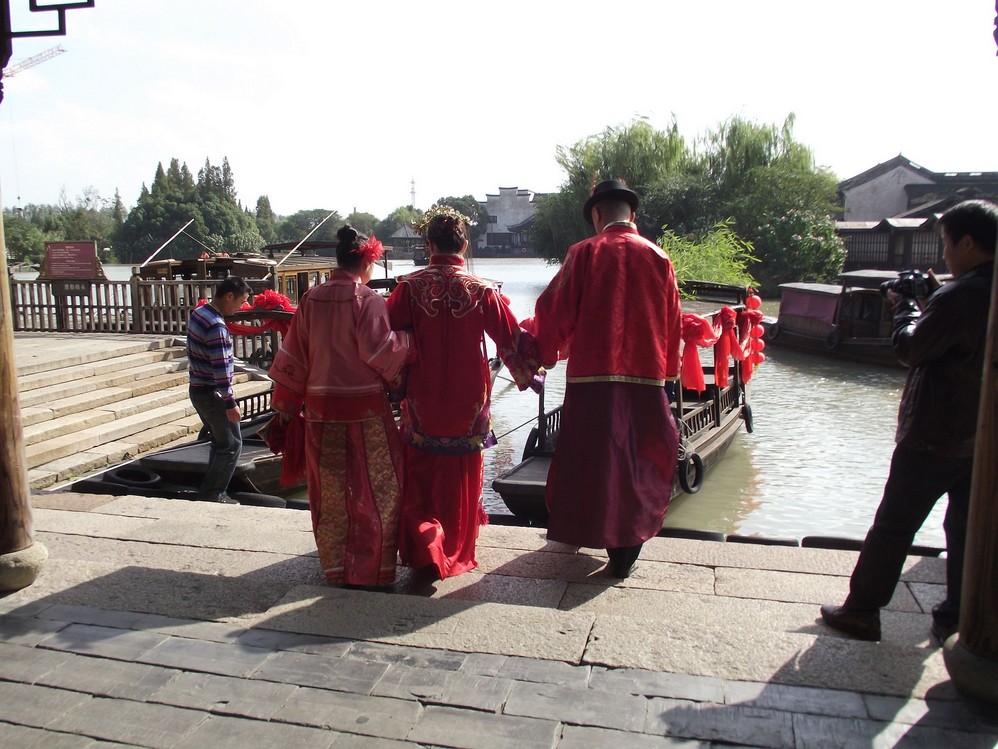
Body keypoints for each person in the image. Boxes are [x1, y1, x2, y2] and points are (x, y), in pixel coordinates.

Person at [821, 199, 997, 643]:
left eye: (947, 244)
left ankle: (862, 610)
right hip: (981, 436)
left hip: (935, 432)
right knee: (965, 528)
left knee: (895, 524)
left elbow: (911, 348)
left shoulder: (959, 296)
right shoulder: (981, 291)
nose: (945, 255)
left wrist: (905, 308)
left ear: (967, 243)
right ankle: (957, 614)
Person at [523, 179, 682, 578]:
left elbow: (553, 310)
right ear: (633, 214)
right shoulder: (659, 257)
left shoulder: (584, 253)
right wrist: (669, 376)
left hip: (591, 380)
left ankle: (593, 529)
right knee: (638, 459)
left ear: (596, 214)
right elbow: (673, 323)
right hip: (646, 380)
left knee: (592, 459)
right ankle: (627, 544)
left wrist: (545, 354)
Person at [386, 205, 543, 580]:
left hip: (422, 396)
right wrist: (537, 365)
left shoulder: (408, 287)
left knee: (421, 471)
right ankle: (452, 548)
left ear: (428, 245)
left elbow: (385, 340)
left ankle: (425, 545)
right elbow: (512, 339)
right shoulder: (482, 290)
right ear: (464, 245)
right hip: (468, 399)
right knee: (461, 473)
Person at [269, 226, 412, 589]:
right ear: (366, 261)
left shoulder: (311, 299)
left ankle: (336, 566)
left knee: (330, 491)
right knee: (379, 489)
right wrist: (408, 341)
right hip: (366, 412)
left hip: (320, 411)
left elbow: (294, 356)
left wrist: (286, 404)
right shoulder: (369, 300)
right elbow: (380, 352)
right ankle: (372, 568)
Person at [187, 275, 253, 503]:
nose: (242, 306)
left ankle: (211, 490)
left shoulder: (200, 312)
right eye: (241, 301)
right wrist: (229, 402)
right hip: (212, 392)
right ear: (228, 296)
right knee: (232, 444)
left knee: (220, 441)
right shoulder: (216, 325)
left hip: (197, 388)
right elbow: (221, 368)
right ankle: (213, 494)